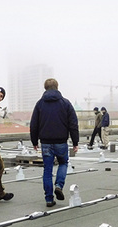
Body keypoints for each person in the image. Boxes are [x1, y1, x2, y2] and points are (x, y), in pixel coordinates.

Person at [30, 78, 79, 207]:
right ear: (57, 87)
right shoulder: (65, 103)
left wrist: (34, 141)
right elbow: (73, 124)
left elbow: (34, 124)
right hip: (61, 142)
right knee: (63, 163)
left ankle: (49, 199)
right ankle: (59, 185)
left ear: (45, 88)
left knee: (47, 169)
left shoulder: (40, 104)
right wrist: (75, 142)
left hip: (45, 142)